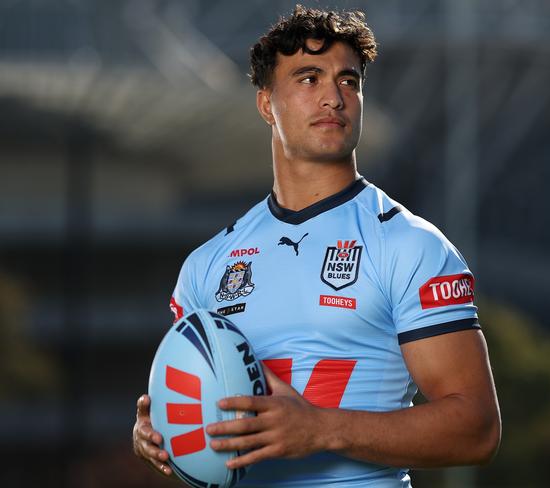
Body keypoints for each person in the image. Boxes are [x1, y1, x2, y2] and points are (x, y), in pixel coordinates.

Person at [133, 4, 501, 487]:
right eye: (309, 79)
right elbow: (196, 415)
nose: (334, 97)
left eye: (349, 81)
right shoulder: (206, 265)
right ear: (267, 104)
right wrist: (156, 434)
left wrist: (322, 429)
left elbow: (476, 430)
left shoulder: (411, 246)